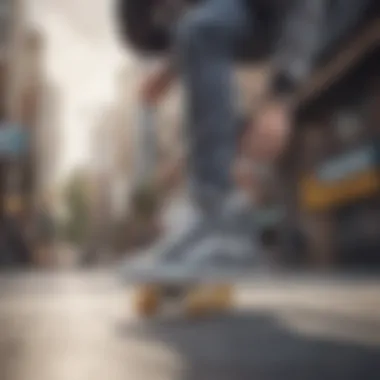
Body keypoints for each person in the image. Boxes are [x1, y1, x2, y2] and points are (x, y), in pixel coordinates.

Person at [119, 0, 370, 277]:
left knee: (200, 29)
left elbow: (304, 9)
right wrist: (170, 70)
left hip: (332, 14)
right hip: (273, 20)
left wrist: (279, 99)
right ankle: (217, 217)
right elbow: (210, 20)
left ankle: (219, 222)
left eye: (171, 12)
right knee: (199, 30)